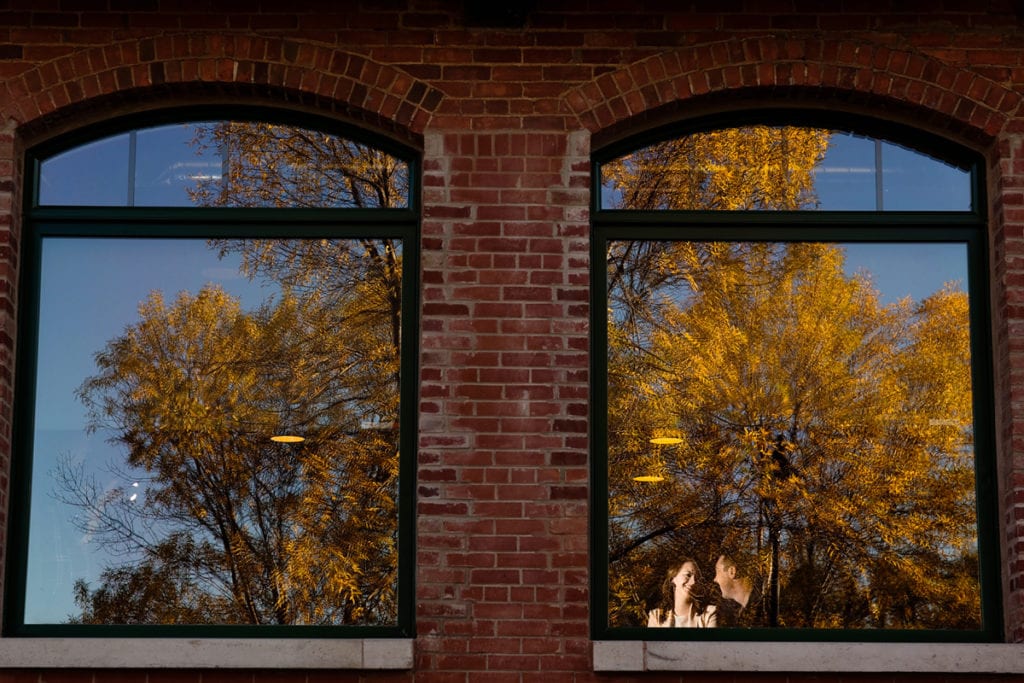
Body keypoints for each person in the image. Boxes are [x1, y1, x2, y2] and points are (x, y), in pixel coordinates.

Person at [647, 558, 717, 628]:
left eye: (697, 578)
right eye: (688, 575)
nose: (693, 582)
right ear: (673, 578)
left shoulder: (709, 614)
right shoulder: (656, 617)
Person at [712, 552, 765, 627]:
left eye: (718, 572)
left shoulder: (765, 611)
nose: (715, 579)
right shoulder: (734, 612)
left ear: (732, 571)